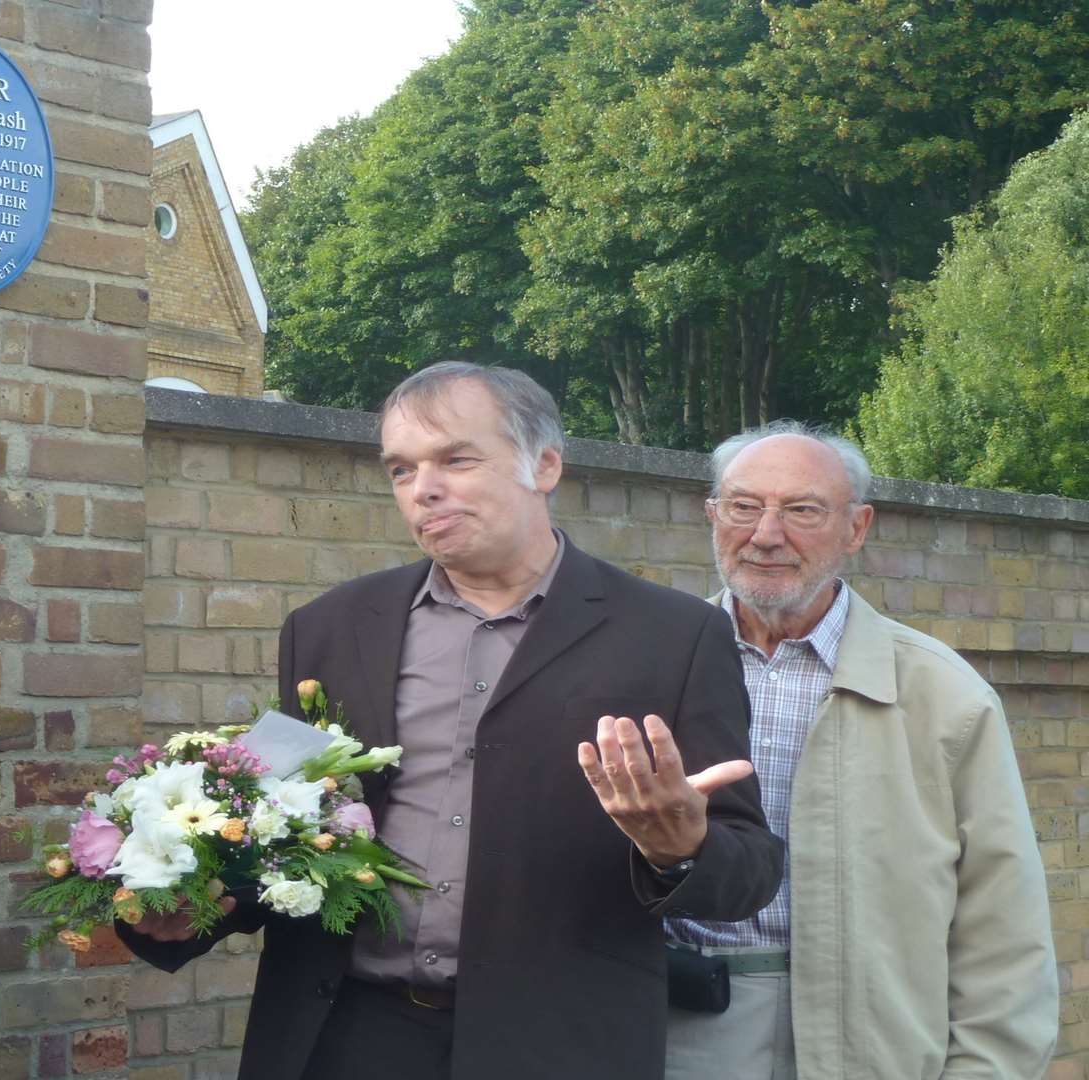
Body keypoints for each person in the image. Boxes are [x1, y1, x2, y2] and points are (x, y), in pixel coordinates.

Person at [122, 360, 782, 1079]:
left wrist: (679, 849)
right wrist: (190, 905)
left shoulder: (672, 637)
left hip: (559, 1046)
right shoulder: (331, 628)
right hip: (347, 1036)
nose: (424, 488)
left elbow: (748, 869)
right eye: (401, 469)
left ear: (546, 465)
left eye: (456, 459)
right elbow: (274, 824)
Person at [664, 422, 1057, 1080]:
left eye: (802, 511)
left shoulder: (944, 695)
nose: (765, 533)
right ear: (712, 516)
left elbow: (1004, 930)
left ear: (857, 527)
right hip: (683, 1036)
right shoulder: (650, 665)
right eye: (743, 506)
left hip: (876, 1047)